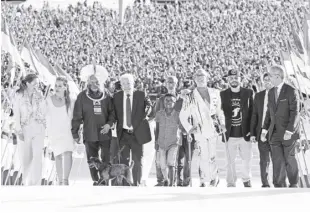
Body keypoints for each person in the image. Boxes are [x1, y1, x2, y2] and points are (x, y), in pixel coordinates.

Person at [180, 69, 225, 187]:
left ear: (207, 78)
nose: (200, 78)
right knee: (203, 155)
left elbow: (219, 111)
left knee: (212, 155)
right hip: (199, 129)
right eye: (198, 76)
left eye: (203, 76)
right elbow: (183, 115)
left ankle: (214, 178)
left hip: (214, 128)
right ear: (194, 79)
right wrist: (189, 128)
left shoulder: (216, 93)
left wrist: (222, 123)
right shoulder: (190, 96)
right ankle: (204, 179)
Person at [71, 67, 115, 186]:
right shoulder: (82, 97)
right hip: (90, 133)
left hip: (105, 133)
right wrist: (75, 133)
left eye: (97, 82)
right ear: (88, 82)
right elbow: (76, 116)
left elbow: (112, 113)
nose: (95, 84)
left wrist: (109, 125)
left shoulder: (107, 96)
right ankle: (96, 180)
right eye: (92, 81)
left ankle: (104, 181)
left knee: (106, 159)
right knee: (92, 159)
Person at [261, 65, 300, 188]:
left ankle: (293, 183)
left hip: (288, 132)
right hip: (274, 133)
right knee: (277, 159)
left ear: (277, 76)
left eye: (270, 75)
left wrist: (290, 130)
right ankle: (279, 184)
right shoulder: (271, 92)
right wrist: (264, 130)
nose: (268, 78)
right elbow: (269, 112)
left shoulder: (291, 90)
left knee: (289, 158)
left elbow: (295, 112)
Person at [113, 73, 152, 186]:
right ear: (121, 85)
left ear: (133, 83)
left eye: (129, 83)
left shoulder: (141, 94)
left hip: (137, 133)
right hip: (123, 134)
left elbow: (149, 106)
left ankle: (136, 184)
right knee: (124, 162)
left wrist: (146, 113)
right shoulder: (117, 96)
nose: (126, 85)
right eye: (124, 83)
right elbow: (113, 113)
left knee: (137, 161)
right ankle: (126, 185)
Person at [220, 69, 254, 187]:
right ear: (228, 79)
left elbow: (253, 113)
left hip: (245, 133)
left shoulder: (249, 92)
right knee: (229, 161)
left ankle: (246, 180)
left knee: (247, 159)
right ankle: (231, 182)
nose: (233, 80)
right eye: (231, 78)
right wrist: (220, 124)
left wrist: (252, 131)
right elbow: (219, 112)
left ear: (240, 79)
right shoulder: (223, 94)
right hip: (229, 133)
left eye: (236, 77)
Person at [13, 74, 46, 186]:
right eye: (34, 83)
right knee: (26, 157)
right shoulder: (19, 95)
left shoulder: (40, 94)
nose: (36, 85)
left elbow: (43, 110)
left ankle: (36, 184)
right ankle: (25, 182)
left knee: (38, 156)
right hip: (25, 129)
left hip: (38, 128)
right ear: (27, 83)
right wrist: (18, 130)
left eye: (37, 83)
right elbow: (16, 113)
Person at [151, 76, 184, 186]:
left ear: (177, 84)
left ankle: (175, 181)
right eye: (169, 82)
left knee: (175, 160)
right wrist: (156, 140)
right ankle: (162, 180)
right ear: (165, 83)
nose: (171, 84)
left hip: (176, 135)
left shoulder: (181, 99)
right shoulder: (161, 99)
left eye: (173, 82)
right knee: (161, 162)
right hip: (162, 135)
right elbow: (157, 121)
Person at [46, 77, 76, 185]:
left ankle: (65, 180)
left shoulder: (72, 100)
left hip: (67, 131)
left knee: (68, 153)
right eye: (56, 85)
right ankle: (59, 180)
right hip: (53, 131)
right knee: (57, 155)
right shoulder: (48, 99)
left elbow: (75, 118)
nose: (57, 88)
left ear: (65, 87)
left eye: (59, 86)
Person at [250, 73, 275, 187]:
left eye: (269, 79)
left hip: (276, 132)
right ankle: (265, 183)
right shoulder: (259, 96)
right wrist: (253, 133)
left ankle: (279, 182)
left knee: (277, 159)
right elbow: (254, 115)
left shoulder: (280, 94)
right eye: (265, 80)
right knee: (264, 160)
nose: (267, 82)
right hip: (262, 133)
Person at [155, 94, 181, 187]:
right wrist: (156, 141)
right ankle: (166, 179)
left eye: (171, 100)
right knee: (162, 164)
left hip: (173, 142)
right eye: (166, 100)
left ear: (174, 103)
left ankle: (172, 183)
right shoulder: (159, 114)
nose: (168, 102)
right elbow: (157, 129)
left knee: (171, 162)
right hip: (161, 142)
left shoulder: (178, 115)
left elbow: (182, 127)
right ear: (163, 102)